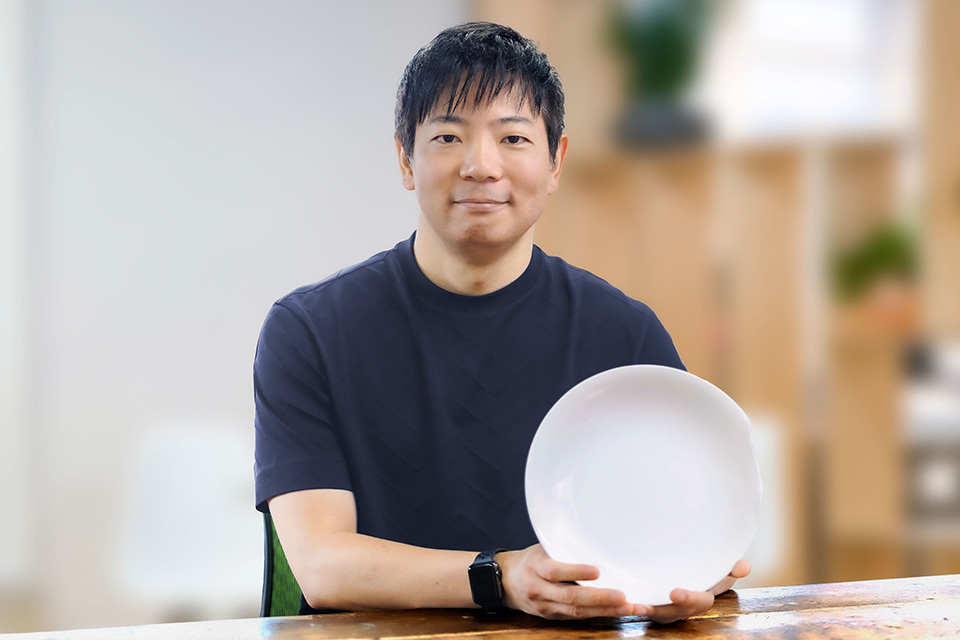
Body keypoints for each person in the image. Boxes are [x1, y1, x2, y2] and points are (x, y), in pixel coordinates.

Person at [253, 21, 749, 623]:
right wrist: (500, 576)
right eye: (447, 137)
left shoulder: (626, 335)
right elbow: (323, 565)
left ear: (555, 161)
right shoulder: (307, 332)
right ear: (406, 159)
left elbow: (678, 528)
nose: (481, 166)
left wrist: (689, 572)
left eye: (513, 138)